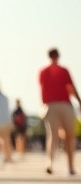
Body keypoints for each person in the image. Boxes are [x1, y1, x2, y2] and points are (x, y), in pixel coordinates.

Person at [39, 48, 79, 176]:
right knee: (70, 136)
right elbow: (71, 88)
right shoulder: (63, 71)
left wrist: (43, 106)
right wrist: (79, 100)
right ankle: (70, 167)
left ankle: (49, 162)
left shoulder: (43, 72)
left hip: (50, 106)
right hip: (64, 104)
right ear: (58, 56)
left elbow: (42, 89)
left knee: (53, 135)